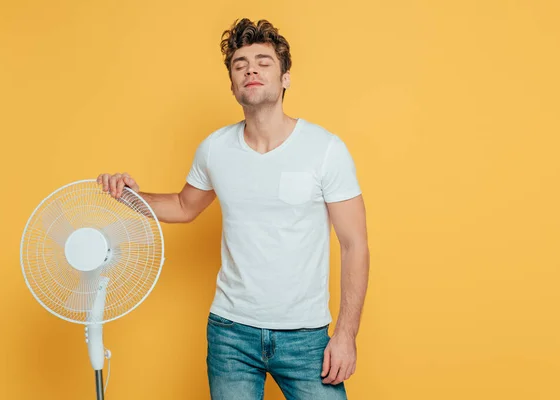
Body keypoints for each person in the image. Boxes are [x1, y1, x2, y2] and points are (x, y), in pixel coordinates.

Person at [97, 18, 370, 400]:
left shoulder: (324, 148)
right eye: (240, 65)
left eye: (263, 62)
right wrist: (126, 195)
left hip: (306, 337)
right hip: (230, 334)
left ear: (285, 78)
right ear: (232, 84)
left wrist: (345, 335)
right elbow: (183, 205)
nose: (251, 70)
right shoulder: (215, 149)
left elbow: (354, 244)